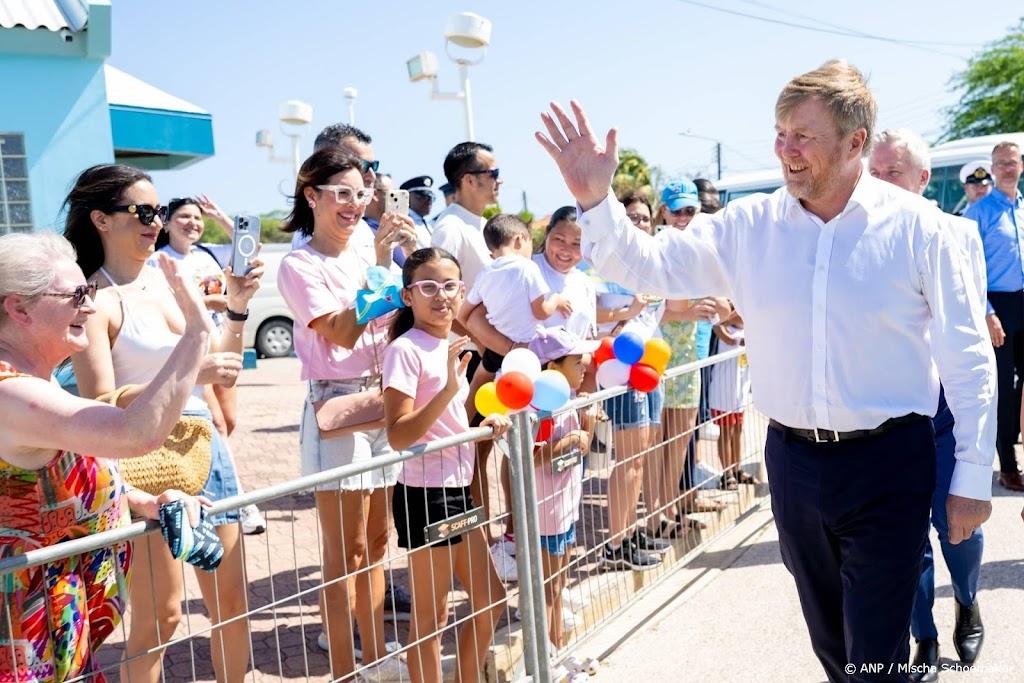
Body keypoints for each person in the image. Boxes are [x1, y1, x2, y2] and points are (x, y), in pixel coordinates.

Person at [536, 59, 995, 682]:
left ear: (855, 142)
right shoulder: (748, 226)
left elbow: (968, 357)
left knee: (874, 653)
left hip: (891, 464)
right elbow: (650, 267)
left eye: (802, 135)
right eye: (780, 134)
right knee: (833, 644)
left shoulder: (921, 229)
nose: (785, 150)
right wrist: (595, 199)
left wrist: (972, 474)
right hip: (794, 465)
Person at [63, 163, 263, 683]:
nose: (157, 222)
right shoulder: (93, 300)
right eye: (143, 211)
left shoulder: (173, 279)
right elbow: (100, 403)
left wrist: (237, 308)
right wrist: (191, 370)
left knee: (232, 604)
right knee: (161, 616)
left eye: (159, 210)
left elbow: (223, 364)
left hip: (206, 448)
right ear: (101, 219)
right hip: (145, 461)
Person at [0, 232, 212, 683]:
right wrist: (197, 333)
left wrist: (141, 500)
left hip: (59, 638)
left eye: (91, 292)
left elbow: (61, 477)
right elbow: (133, 433)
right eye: (76, 295)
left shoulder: (34, 381)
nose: (90, 307)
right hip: (24, 652)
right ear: (19, 309)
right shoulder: (10, 393)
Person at [276, 147, 418, 682]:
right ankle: (343, 668)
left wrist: (409, 259)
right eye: (342, 193)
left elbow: (407, 311)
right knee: (345, 552)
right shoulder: (299, 264)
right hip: (336, 404)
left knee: (378, 543)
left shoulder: (368, 248)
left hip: (384, 400)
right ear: (311, 196)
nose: (355, 204)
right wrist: (379, 268)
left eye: (361, 193)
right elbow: (340, 333)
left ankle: (376, 656)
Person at [869, 128, 989, 681]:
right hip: (886, 415)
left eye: (891, 173)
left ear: (921, 178)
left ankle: (967, 599)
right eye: (873, 173)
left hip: (944, 410)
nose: (879, 183)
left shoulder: (960, 233)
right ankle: (925, 637)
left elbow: (970, 333)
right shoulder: (855, 235)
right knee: (905, 538)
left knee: (957, 525)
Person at [382, 247, 511, 683]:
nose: (441, 295)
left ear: (462, 290)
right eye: (428, 286)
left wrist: (480, 424)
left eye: (449, 285)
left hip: (457, 488)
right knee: (431, 619)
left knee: (490, 598)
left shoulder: (453, 345)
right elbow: (399, 434)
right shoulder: (405, 350)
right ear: (408, 295)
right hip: (425, 494)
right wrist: (449, 391)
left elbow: (448, 421)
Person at [463, 206, 598, 580]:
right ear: (543, 236)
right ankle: (514, 538)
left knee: (557, 474)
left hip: (563, 393)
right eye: (559, 239)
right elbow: (473, 318)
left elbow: (585, 343)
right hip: (525, 385)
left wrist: (587, 401)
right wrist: (512, 351)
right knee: (522, 458)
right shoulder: (522, 267)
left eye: (576, 243)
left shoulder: (584, 283)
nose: (566, 249)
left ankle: (549, 574)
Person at [149, 195, 268, 536]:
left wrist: (219, 217)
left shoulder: (208, 254)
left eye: (197, 218)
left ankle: (216, 486)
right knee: (214, 422)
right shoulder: (158, 260)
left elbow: (247, 250)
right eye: (184, 217)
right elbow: (161, 302)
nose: (193, 223)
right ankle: (239, 501)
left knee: (227, 422)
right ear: (167, 223)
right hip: (191, 350)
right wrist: (209, 301)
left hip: (224, 342)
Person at [589, 190, 670, 569]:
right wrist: (628, 311)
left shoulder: (652, 264)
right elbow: (592, 314)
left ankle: (629, 530)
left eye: (645, 218)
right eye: (632, 217)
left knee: (641, 455)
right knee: (628, 460)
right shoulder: (605, 265)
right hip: (621, 371)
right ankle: (616, 543)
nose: (640, 223)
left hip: (650, 368)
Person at [651, 184, 727, 531]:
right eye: (676, 211)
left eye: (689, 211)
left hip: (689, 359)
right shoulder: (656, 251)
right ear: (663, 212)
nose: (682, 217)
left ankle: (671, 513)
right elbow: (650, 310)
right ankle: (658, 516)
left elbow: (719, 307)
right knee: (656, 446)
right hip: (657, 360)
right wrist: (690, 311)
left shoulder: (701, 251)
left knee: (680, 443)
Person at [527, 327, 598, 651]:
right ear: (553, 367)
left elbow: (582, 448)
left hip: (565, 509)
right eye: (576, 362)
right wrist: (569, 439)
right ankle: (549, 654)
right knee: (549, 589)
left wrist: (588, 421)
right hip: (547, 513)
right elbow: (532, 458)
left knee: (558, 584)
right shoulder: (542, 408)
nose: (585, 366)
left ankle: (557, 649)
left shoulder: (565, 399)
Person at [964, 141, 1024, 492]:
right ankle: (1008, 468)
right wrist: (987, 312)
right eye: (1000, 163)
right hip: (997, 308)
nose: (1006, 169)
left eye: (1011, 162)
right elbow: (967, 270)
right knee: (1002, 391)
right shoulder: (979, 213)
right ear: (993, 167)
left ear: (1021, 165)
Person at [291, 123, 381, 252]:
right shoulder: (313, 242)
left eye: (374, 166)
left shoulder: (361, 227)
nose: (372, 176)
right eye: (361, 165)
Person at [400, 175, 438, 247]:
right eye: (422, 197)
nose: (428, 201)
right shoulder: (404, 223)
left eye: (430, 197)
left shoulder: (427, 225)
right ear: (408, 198)